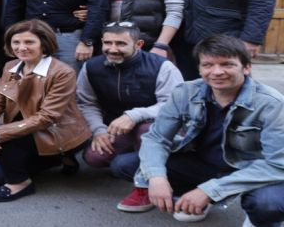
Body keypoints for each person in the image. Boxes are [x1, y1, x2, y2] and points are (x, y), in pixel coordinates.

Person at [115, 35, 284, 226]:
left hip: (251, 169)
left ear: (246, 67)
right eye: (208, 65)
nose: (217, 72)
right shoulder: (185, 92)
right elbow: (157, 138)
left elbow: (278, 164)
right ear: (199, 68)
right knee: (126, 165)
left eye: (227, 64)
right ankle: (195, 196)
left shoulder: (272, 104)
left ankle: (257, 217)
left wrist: (210, 190)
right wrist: (157, 177)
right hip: (205, 165)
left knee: (267, 204)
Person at [0, 19, 91, 202]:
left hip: (56, 131)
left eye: (29, 42)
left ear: (44, 45)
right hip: (26, 127)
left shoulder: (62, 72)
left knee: (5, 143)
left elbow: (47, 117)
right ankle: (56, 159)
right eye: (16, 42)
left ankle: (21, 184)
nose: (21, 47)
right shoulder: (10, 66)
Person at [76, 22, 182, 178]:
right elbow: (87, 103)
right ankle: (132, 157)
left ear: (138, 44)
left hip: (155, 125)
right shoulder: (92, 67)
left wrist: (134, 115)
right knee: (95, 157)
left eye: (120, 43)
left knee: (145, 131)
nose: (112, 49)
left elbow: (174, 105)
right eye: (107, 43)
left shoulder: (162, 66)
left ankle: (152, 177)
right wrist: (99, 130)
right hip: (117, 127)